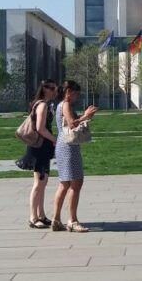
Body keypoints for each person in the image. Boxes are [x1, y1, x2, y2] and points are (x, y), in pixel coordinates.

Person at [52, 80, 98, 233]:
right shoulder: (65, 104)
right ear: (69, 91)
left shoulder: (62, 105)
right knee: (76, 183)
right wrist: (86, 116)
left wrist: (86, 116)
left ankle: (56, 219)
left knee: (64, 183)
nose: (77, 97)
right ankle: (72, 220)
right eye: (76, 93)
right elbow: (72, 124)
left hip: (63, 144)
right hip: (68, 146)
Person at [16, 79, 58, 229]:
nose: (55, 91)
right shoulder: (42, 105)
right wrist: (55, 139)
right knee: (38, 183)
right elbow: (40, 128)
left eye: (56, 88)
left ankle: (41, 214)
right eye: (52, 88)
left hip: (42, 147)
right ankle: (33, 217)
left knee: (43, 182)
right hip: (39, 147)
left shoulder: (42, 104)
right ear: (45, 89)